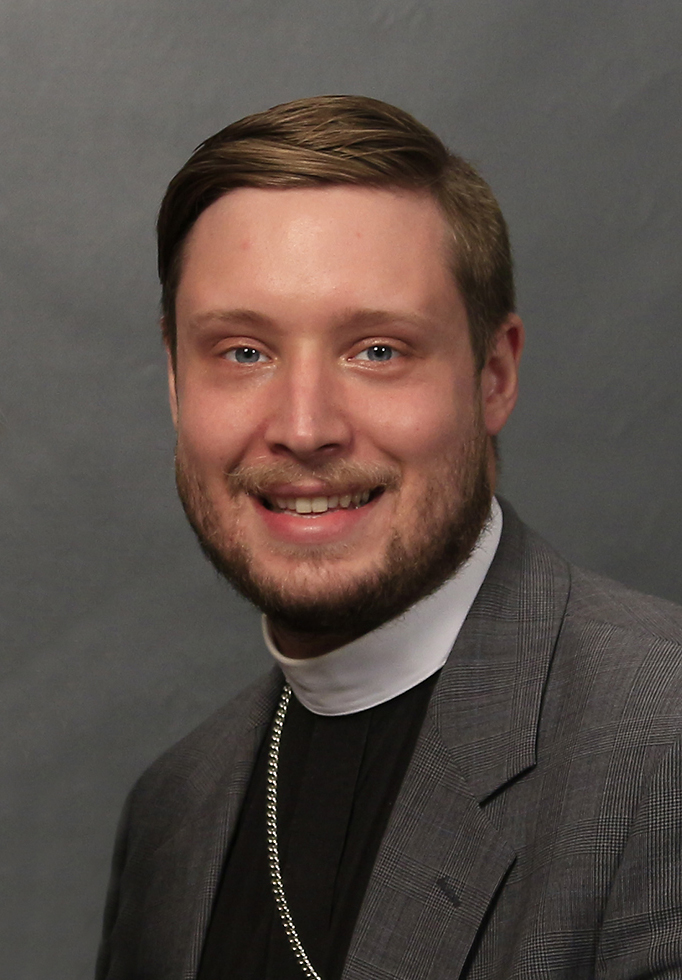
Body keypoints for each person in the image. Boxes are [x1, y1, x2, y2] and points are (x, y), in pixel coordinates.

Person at [96, 96, 682, 980]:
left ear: (493, 375)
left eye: (377, 350)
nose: (304, 428)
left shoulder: (661, 743)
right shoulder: (172, 815)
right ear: (177, 385)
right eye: (244, 352)